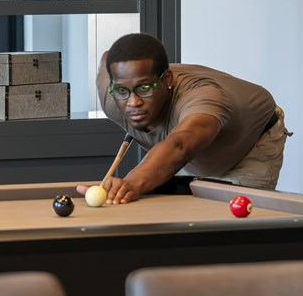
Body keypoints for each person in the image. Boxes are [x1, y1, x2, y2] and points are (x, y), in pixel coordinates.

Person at [79, 33, 290, 204]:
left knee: (237, 227)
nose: (133, 102)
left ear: (167, 80)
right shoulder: (111, 93)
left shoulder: (204, 98)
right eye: (123, 91)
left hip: (249, 147)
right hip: (187, 153)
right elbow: (107, 57)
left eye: (144, 88)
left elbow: (180, 146)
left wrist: (131, 183)